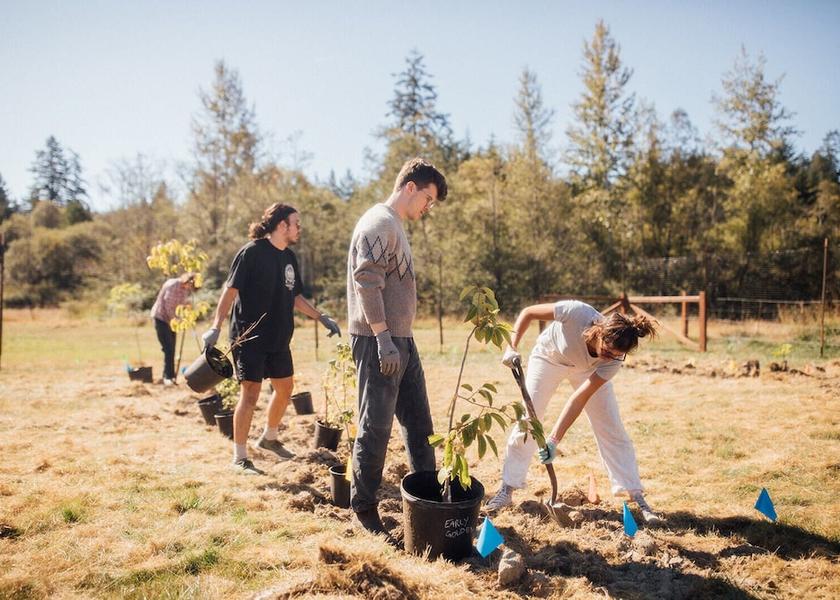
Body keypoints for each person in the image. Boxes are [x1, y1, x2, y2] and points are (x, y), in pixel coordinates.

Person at [484, 300, 663, 523]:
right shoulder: (576, 313)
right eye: (607, 351)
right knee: (529, 420)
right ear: (599, 333)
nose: (610, 357)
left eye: (616, 355)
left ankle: (636, 495)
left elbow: (579, 399)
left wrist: (553, 440)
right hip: (549, 358)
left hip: (587, 371)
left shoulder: (612, 361)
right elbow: (529, 313)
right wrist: (512, 346)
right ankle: (507, 489)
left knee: (612, 427)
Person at [346, 157, 447, 534]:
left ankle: (430, 500)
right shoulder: (379, 222)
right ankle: (364, 509)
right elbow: (367, 281)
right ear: (410, 188)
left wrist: (398, 338)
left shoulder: (396, 227)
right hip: (379, 342)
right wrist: (383, 338)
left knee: (420, 425)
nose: (428, 207)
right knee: (375, 426)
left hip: (401, 340)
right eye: (428, 199)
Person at [202, 203, 341, 474]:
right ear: (281, 226)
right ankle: (240, 457)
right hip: (249, 337)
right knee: (250, 394)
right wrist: (216, 327)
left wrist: (320, 316)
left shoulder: (289, 257)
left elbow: (296, 296)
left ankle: (270, 437)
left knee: (285, 389)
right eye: (296, 223)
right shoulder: (251, 252)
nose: (299, 228)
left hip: (278, 338)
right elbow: (230, 292)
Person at [150, 272, 197, 386]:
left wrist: (187, 308)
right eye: (191, 285)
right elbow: (169, 307)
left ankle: (170, 377)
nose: (191, 289)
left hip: (172, 322)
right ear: (187, 281)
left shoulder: (185, 289)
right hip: (161, 319)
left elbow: (180, 304)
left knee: (171, 349)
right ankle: (168, 377)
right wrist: (177, 322)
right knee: (168, 349)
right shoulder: (173, 285)